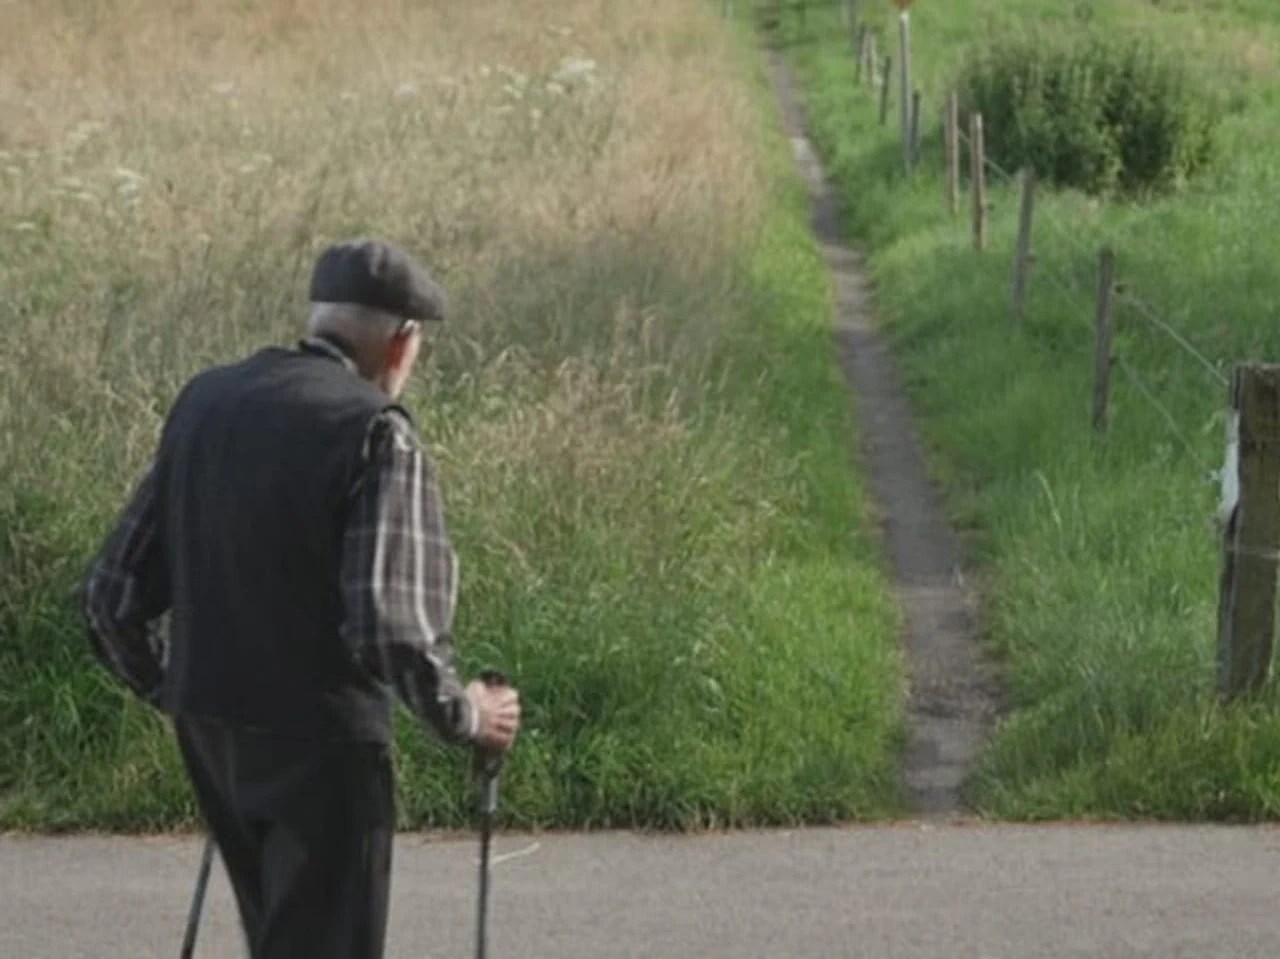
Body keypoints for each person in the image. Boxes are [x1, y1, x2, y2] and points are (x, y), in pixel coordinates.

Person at [80, 238, 521, 959]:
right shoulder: (376, 433)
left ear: (319, 320)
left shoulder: (205, 403)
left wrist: (177, 686)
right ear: (402, 343)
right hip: (323, 744)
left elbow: (110, 596)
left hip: (212, 729)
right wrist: (469, 714)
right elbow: (391, 625)